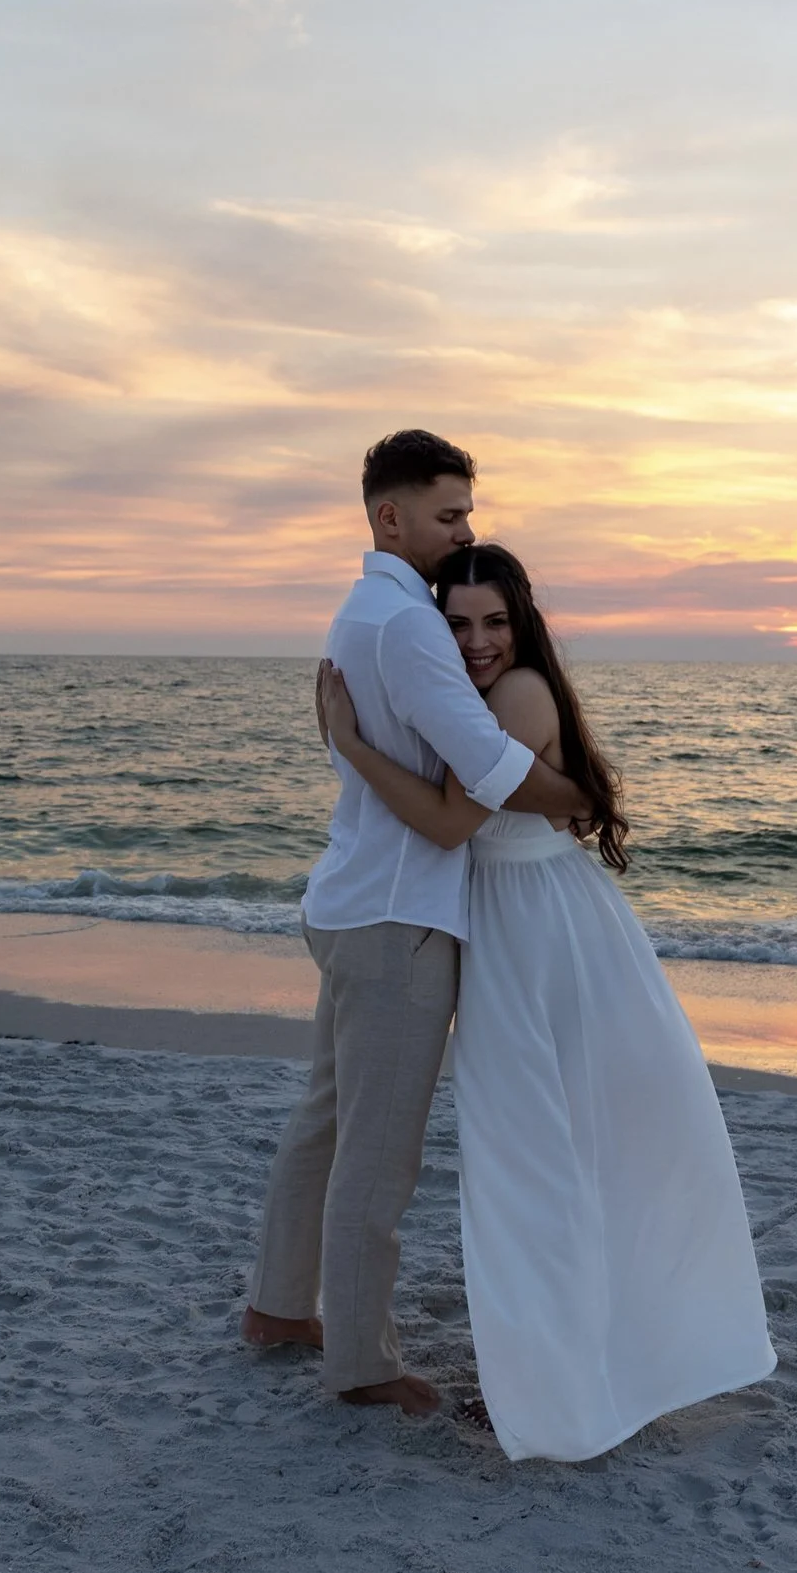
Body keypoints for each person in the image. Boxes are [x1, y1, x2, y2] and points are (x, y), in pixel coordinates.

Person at [316, 542, 775, 1462]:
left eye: (496, 621)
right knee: (533, 1157)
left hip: (546, 939)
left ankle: (558, 1387)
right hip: (514, 935)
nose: (479, 641)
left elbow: (451, 819)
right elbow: (529, 798)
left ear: (521, 625)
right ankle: (552, 1366)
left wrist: (352, 744)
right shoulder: (470, 705)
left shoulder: (519, 694)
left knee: (536, 1159)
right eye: (459, 623)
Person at [242, 430, 592, 1419]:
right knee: (377, 1148)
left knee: (325, 1118)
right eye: (448, 515)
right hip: (398, 918)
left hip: (353, 900)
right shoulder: (404, 626)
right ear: (388, 517)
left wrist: (349, 746)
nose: (464, 532)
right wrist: (587, 794)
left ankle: (277, 1303)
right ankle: (359, 1359)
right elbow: (488, 766)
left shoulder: (365, 612)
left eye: (467, 514)